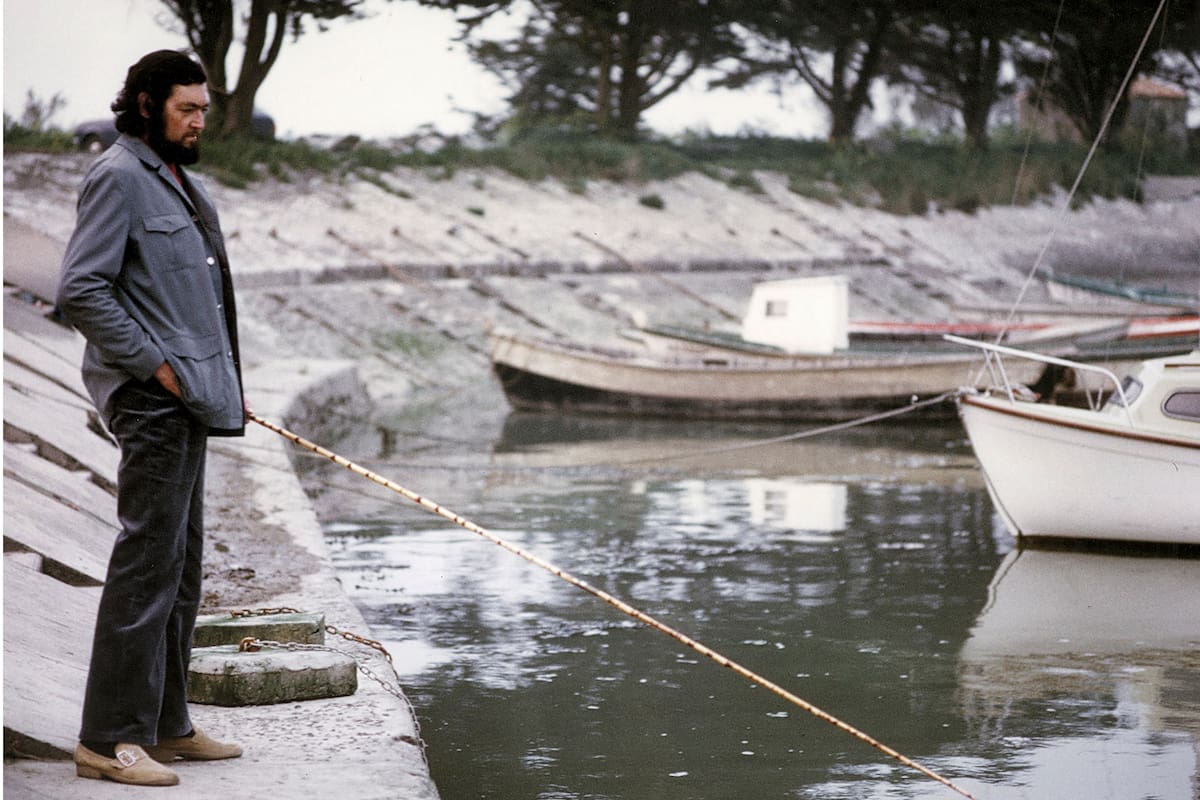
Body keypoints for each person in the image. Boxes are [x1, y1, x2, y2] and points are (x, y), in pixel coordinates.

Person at [56, 49, 247, 787]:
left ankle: (166, 726)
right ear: (144, 104)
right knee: (146, 565)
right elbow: (82, 290)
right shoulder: (118, 178)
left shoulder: (178, 184)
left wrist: (222, 381)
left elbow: (197, 306)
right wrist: (161, 369)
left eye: (203, 109)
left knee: (182, 566)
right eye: (187, 109)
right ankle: (107, 739)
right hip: (152, 402)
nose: (200, 121)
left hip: (193, 401)